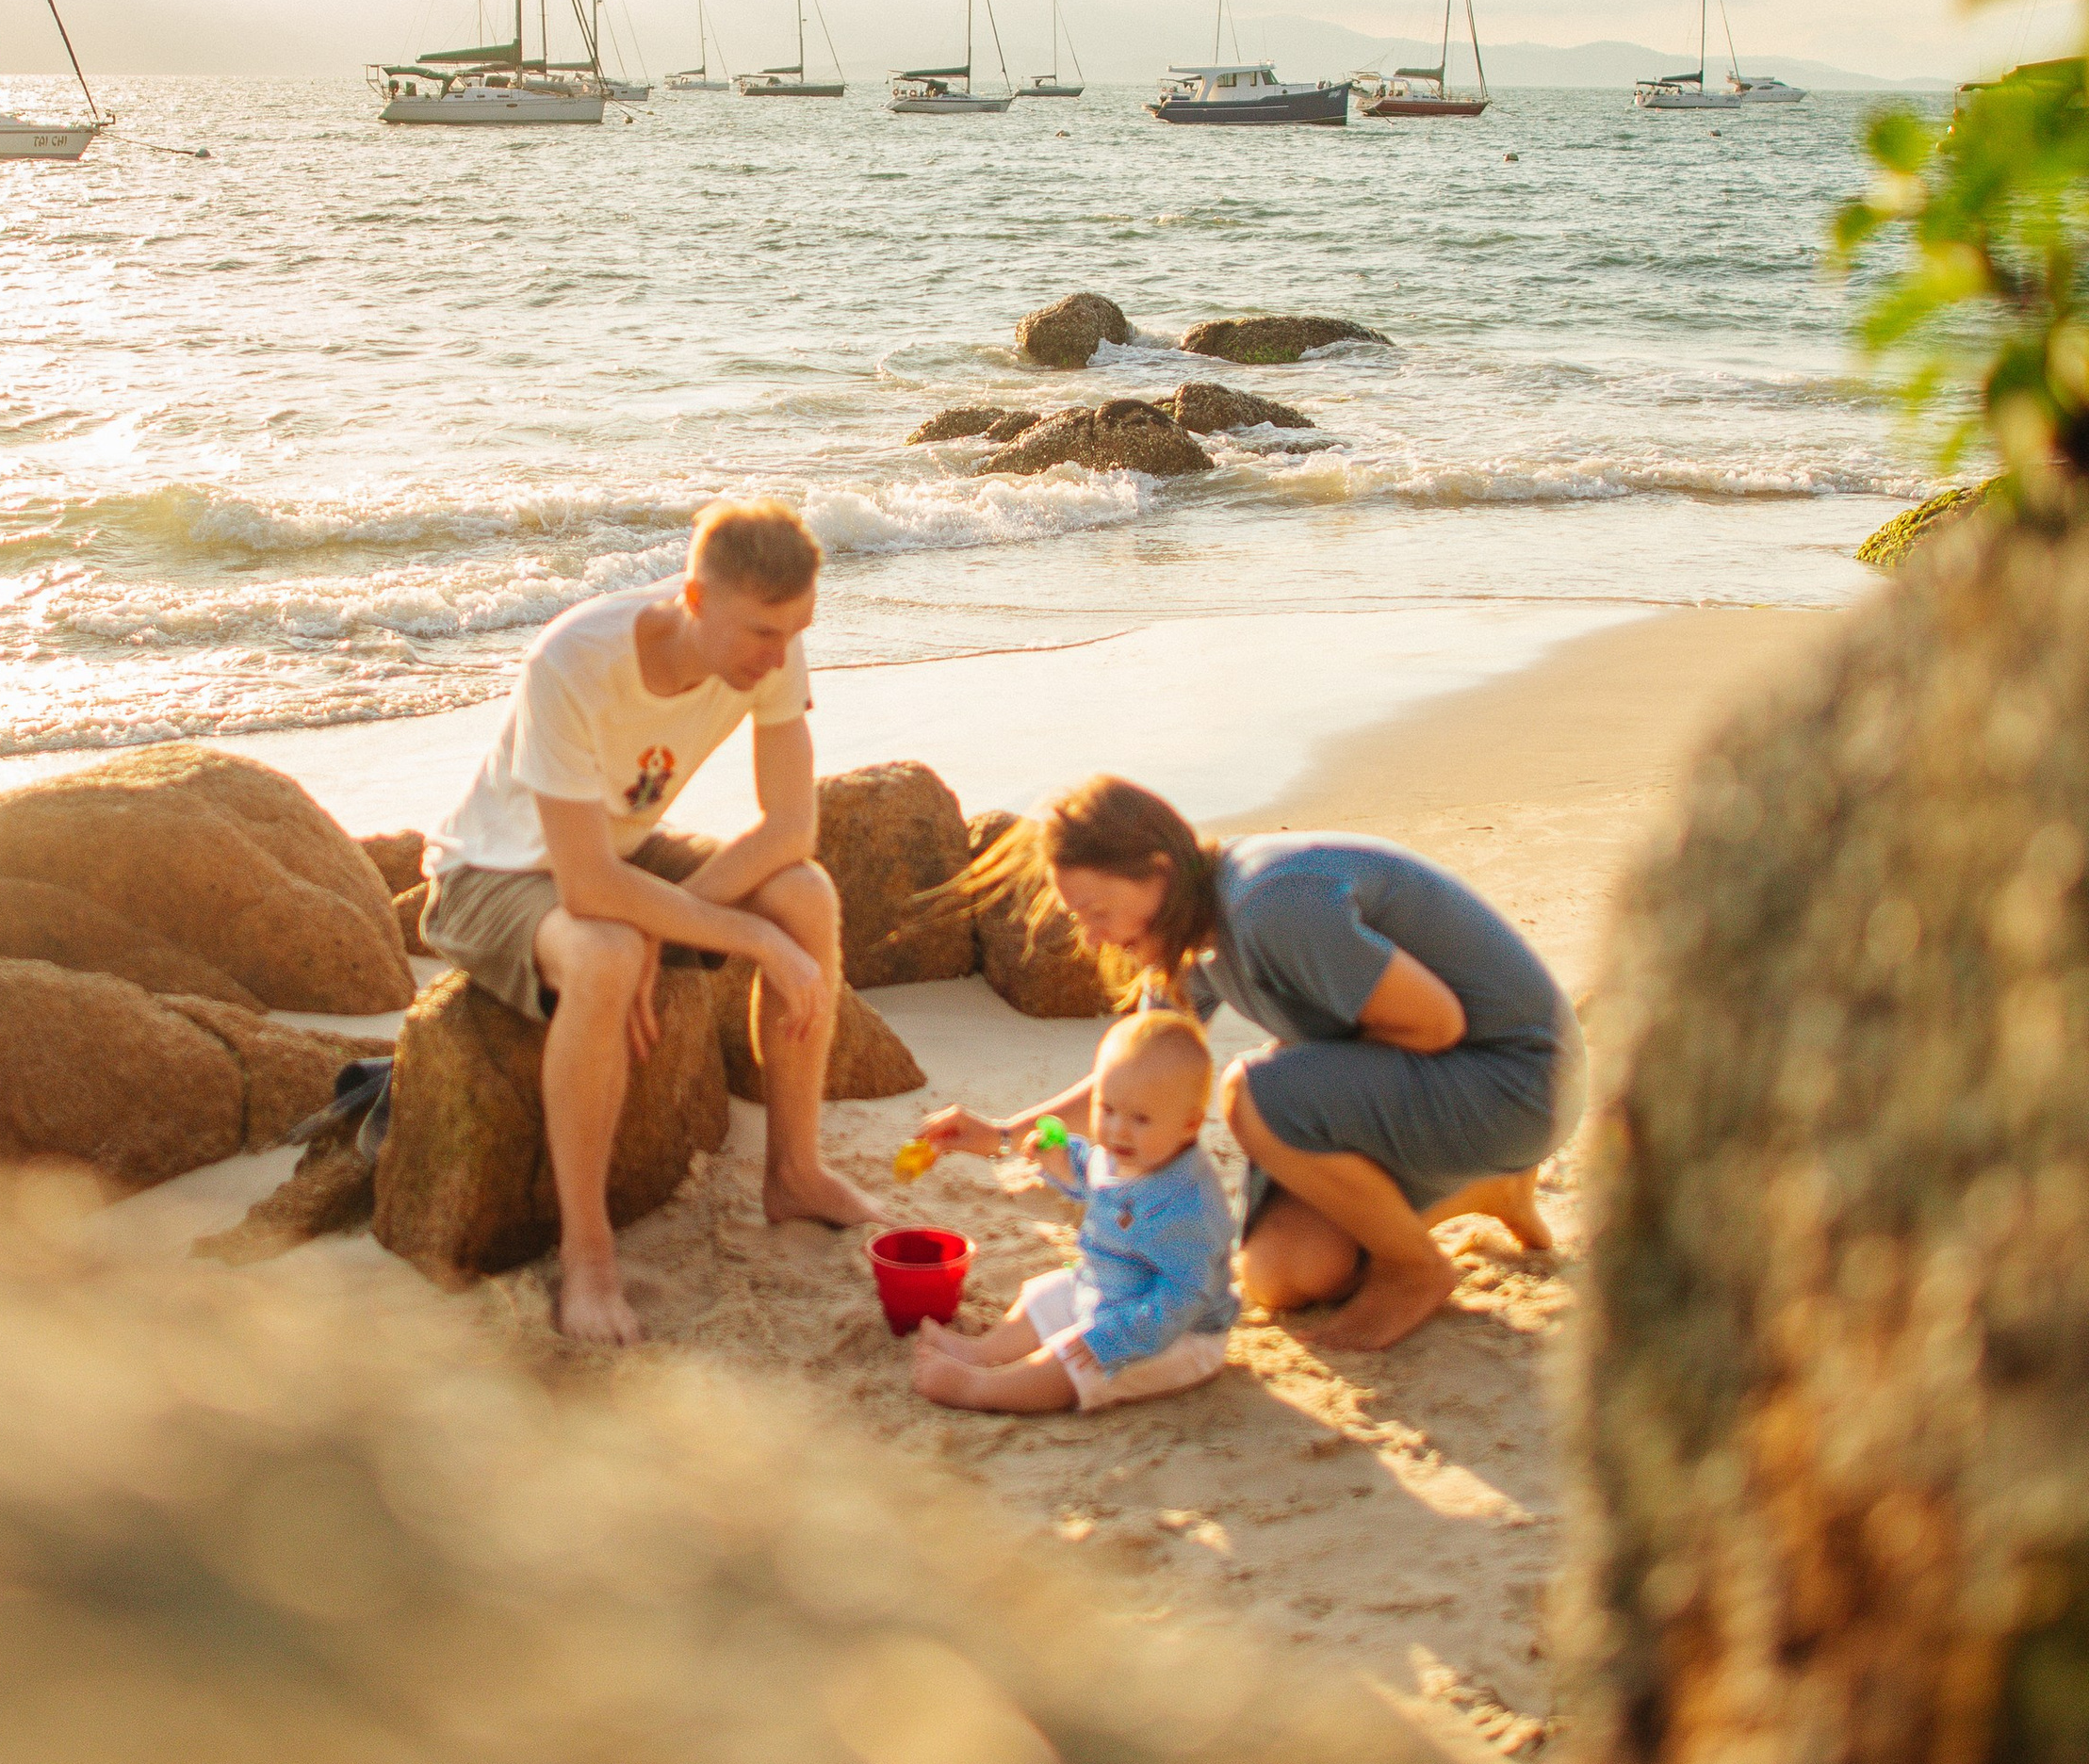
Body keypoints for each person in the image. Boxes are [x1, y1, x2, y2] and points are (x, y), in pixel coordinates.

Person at [918, 776, 1581, 1353]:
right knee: (1283, 1275)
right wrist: (1002, 1135)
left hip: (1519, 1079)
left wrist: (1300, 1080)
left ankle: (1416, 1269)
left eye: (1098, 911)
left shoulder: (1268, 904)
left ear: (1158, 870)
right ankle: (1487, 1190)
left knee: (1256, 1094)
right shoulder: (1188, 935)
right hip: (1448, 1083)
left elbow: (1437, 1023)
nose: (1091, 936)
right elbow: (1129, 1078)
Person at [420, 499, 871, 1347]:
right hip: (495, 871)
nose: (780, 657)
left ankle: (795, 1172)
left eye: (795, 631)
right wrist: (746, 937)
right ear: (695, 601)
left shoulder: (768, 641)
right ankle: (587, 1253)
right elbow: (588, 887)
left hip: (614, 855)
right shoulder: (572, 660)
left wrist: (675, 924)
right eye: (763, 634)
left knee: (803, 892)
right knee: (607, 953)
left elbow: (787, 830)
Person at [911, 1009, 1234, 1417]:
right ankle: (982, 1352)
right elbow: (1091, 1174)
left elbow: (1184, 1295)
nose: (1117, 1130)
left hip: (1173, 1334)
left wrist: (1113, 1337)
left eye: (1140, 1119)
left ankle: (980, 1388)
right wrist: (1062, 1161)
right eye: (1107, 1108)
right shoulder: (1131, 1152)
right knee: (1046, 1294)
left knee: (1076, 1361)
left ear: (1189, 1125)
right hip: (1110, 1287)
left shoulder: (1191, 1207)